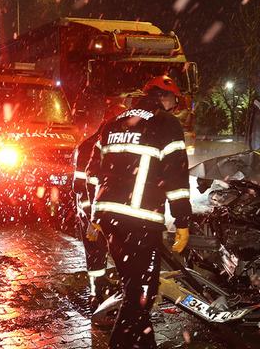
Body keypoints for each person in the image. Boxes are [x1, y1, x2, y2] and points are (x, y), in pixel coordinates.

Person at [86, 76, 192, 348]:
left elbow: (92, 173)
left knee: (135, 288)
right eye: (174, 101)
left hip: (109, 219)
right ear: (165, 98)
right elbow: (176, 177)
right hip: (140, 221)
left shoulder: (113, 122)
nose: (174, 107)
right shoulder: (165, 123)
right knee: (140, 295)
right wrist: (183, 220)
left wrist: (96, 216)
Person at [73, 102, 127, 309]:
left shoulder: (106, 144)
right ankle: (97, 295)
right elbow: (80, 187)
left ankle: (107, 293)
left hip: (105, 211)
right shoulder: (89, 147)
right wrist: (90, 218)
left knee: (103, 253)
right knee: (97, 254)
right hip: (93, 212)